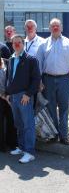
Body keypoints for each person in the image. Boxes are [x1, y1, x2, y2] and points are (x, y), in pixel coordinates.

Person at [37, 18, 69, 145]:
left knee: (64, 108)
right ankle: (53, 134)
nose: (55, 28)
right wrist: (39, 80)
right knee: (50, 108)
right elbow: (38, 64)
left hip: (64, 79)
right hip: (47, 80)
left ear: (61, 28)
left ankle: (64, 136)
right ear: (49, 28)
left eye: (57, 25)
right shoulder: (43, 44)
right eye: (53, 26)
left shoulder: (68, 43)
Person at [6, 34, 41, 163]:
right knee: (19, 124)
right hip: (14, 97)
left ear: (23, 44)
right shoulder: (11, 59)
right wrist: (8, 93)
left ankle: (30, 152)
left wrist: (28, 94)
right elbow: (10, 77)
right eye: (14, 43)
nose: (16, 45)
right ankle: (21, 147)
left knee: (28, 125)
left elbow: (36, 79)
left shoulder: (31, 59)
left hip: (24, 97)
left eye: (19, 42)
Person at [0, 42, 17, 152]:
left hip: (9, 96)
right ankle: (2, 146)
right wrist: (2, 95)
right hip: (1, 97)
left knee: (12, 120)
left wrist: (8, 95)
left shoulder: (7, 62)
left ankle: (13, 144)